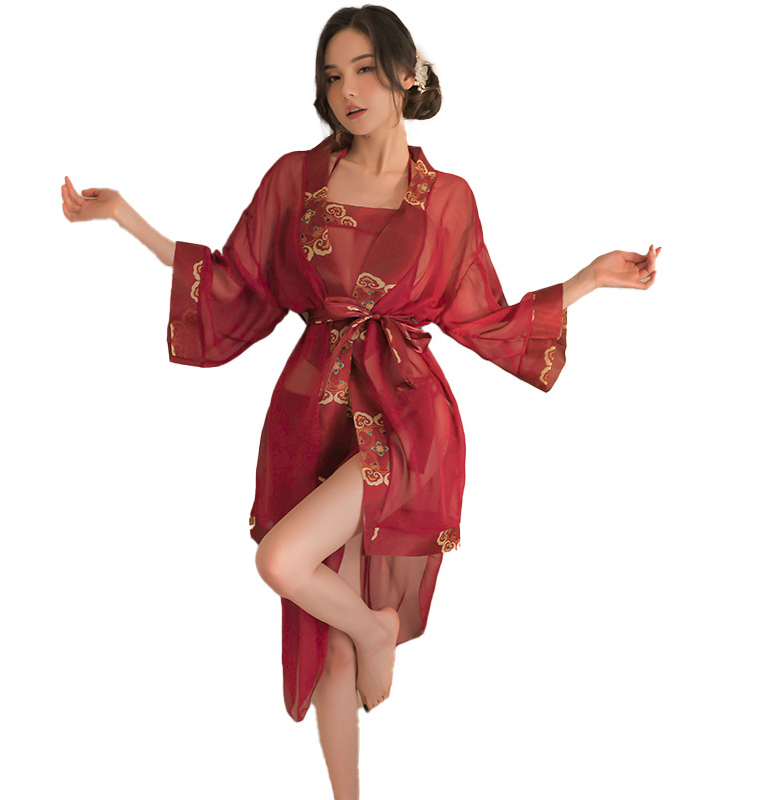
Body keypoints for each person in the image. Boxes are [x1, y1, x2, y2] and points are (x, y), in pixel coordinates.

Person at [61, 5, 660, 798]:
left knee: (282, 561)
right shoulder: (296, 179)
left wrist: (587, 281)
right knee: (329, 635)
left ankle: (380, 631)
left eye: (366, 70)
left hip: (408, 418)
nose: (348, 90)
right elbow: (236, 279)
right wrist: (124, 218)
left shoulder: (448, 198)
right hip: (312, 411)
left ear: (406, 75)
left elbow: (486, 317)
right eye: (333, 76)